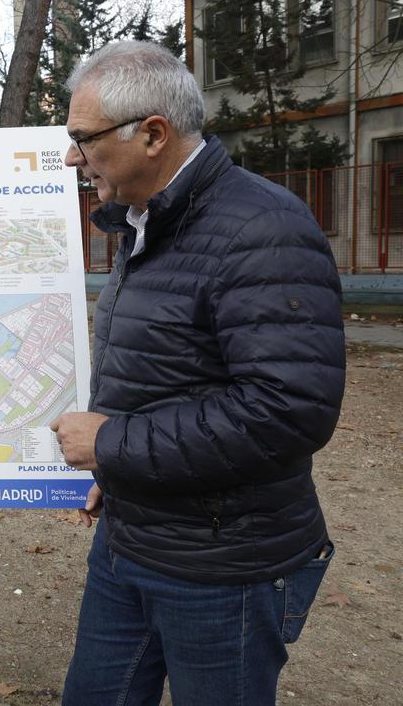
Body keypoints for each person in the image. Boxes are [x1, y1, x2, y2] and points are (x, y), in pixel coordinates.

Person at [50, 41, 345, 705]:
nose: (72, 157)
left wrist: (111, 443)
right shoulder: (146, 224)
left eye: (83, 139)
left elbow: (288, 411)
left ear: (152, 134)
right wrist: (121, 472)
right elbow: (165, 376)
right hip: (132, 541)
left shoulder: (262, 229)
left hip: (224, 568)